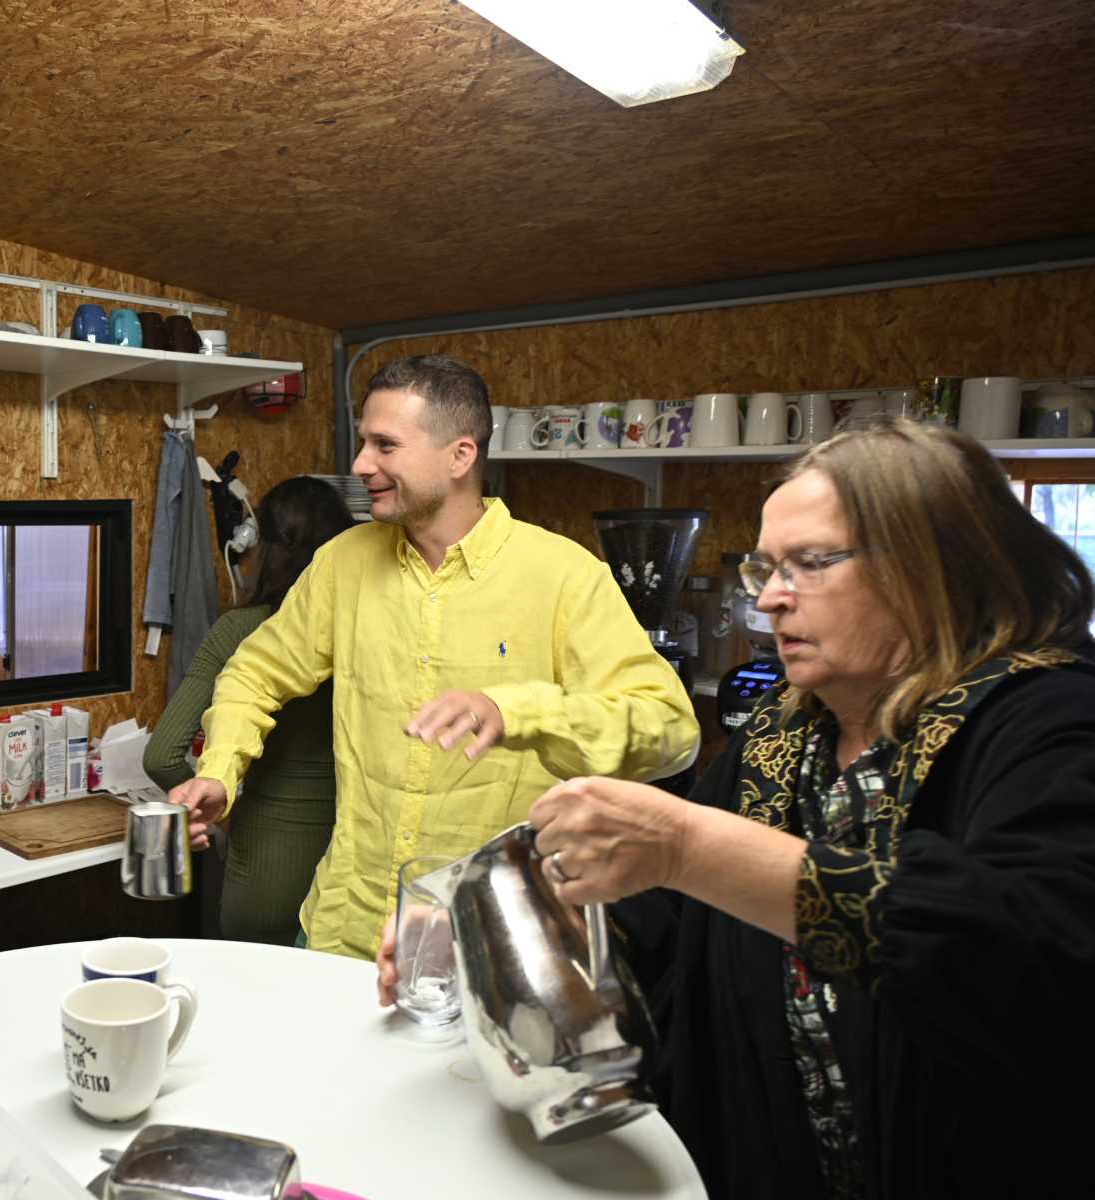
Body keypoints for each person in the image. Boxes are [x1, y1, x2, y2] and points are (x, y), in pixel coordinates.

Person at [378, 421, 1095, 1198]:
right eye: (767, 569)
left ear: (934, 566)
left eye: (811, 563)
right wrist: (487, 927)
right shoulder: (785, 734)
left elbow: (1028, 956)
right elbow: (663, 921)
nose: (770, 600)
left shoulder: (1048, 721)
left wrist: (685, 846)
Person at [168, 354, 698, 959]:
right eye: (364, 441)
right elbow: (254, 672)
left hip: (492, 941)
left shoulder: (563, 576)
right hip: (347, 929)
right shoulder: (343, 563)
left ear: (460, 456)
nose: (360, 464)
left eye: (385, 445)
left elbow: (670, 728)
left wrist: (519, 712)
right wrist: (220, 771)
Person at [144, 476, 355, 945]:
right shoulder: (364, 628)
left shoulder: (239, 630)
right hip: (352, 876)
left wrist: (215, 807)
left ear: (267, 549)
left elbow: (160, 755)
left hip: (266, 869)